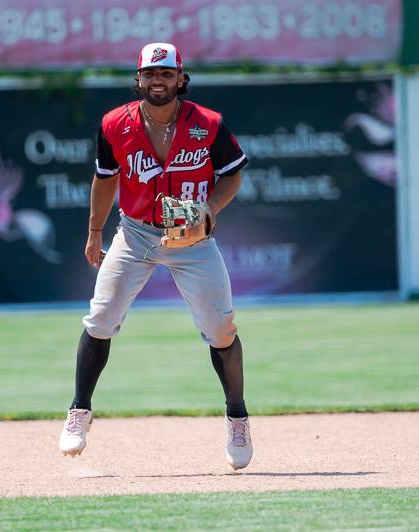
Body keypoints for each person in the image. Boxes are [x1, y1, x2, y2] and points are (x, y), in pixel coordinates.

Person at [58, 43, 252, 470]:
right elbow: (104, 179)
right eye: (150, 74)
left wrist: (208, 211)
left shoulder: (208, 124)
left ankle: (237, 416)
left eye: (166, 74)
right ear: (138, 79)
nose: (158, 81)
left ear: (181, 78)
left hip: (193, 237)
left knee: (221, 328)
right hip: (136, 232)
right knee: (101, 316)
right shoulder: (115, 124)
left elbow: (233, 172)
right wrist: (94, 231)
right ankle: (79, 411)